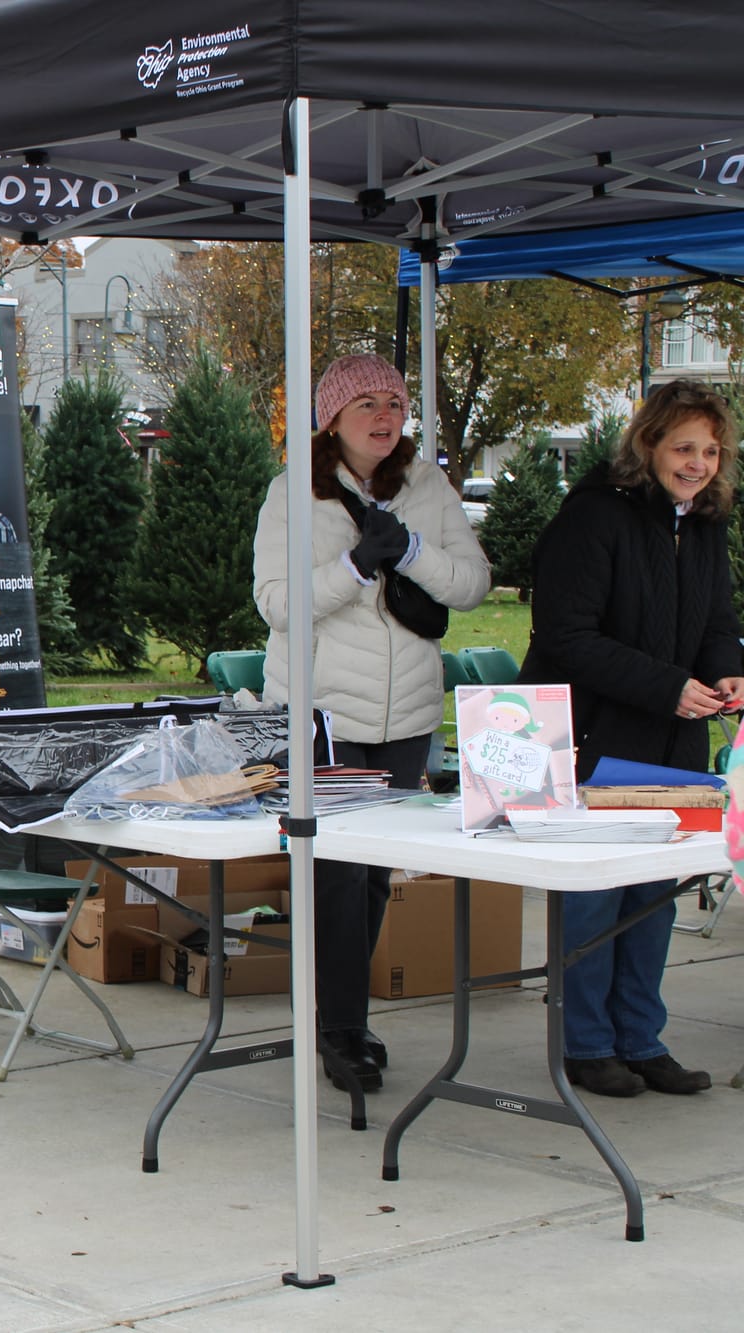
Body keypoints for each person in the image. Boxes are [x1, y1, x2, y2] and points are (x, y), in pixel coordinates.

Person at [253, 353, 491, 1092]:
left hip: (408, 711)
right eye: (367, 406)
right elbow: (278, 602)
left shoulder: (428, 485)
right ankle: (339, 1030)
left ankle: (342, 1018)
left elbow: (475, 582)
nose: (385, 416)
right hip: (324, 712)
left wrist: (412, 551)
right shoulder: (295, 493)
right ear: (332, 420)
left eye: (394, 402)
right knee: (337, 875)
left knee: (376, 874)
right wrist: (357, 565)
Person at [519, 378, 742, 1098]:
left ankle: (641, 1037)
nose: (697, 462)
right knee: (593, 896)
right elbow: (565, 634)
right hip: (593, 740)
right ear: (647, 444)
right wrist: (666, 686)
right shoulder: (591, 517)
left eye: (710, 450)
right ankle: (585, 1044)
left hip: (674, 748)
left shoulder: (704, 525)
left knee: (654, 896)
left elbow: (714, 621)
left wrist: (726, 673)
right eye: (683, 446)